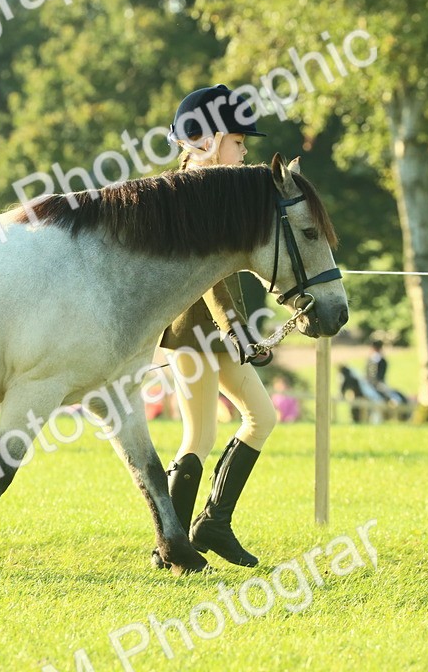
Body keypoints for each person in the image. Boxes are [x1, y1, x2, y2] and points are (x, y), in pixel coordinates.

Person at [153, 83, 278, 569]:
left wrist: (242, 330)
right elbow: (208, 276)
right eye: (239, 142)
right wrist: (234, 327)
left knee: (262, 418)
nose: (246, 152)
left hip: (223, 337)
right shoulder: (192, 192)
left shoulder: (219, 191)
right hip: (192, 335)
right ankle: (172, 547)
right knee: (198, 437)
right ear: (210, 140)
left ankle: (213, 523)